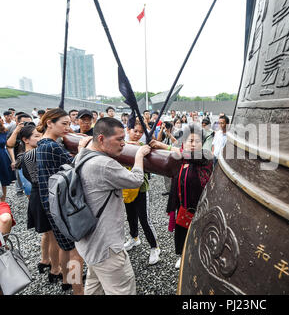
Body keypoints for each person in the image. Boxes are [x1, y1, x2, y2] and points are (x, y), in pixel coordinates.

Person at [74, 117, 150, 295]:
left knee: (94, 287)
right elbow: (136, 180)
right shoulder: (104, 164)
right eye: (119, 139)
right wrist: (138, 155)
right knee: (122, 290)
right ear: (101, 139)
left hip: (88, 242)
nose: (123, 144)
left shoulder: (82, 155)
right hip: (107, 248)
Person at [150, 123, 213, 269]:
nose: (193, 144)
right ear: (184, 142)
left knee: (200, 232)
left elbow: (186, 154)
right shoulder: (180, 159)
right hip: (183, 203)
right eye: (190, 141)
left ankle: (200, 257)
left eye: (197, 141)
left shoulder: (205, 157)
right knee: (181, 232)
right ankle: (182, 256)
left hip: (200, 205)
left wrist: (163, 145)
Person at [36, 108, 84, 294]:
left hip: (50, 202)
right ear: (49, 123)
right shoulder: (53, 146)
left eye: (69, 123)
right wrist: (81, 149)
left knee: (64, 245)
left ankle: (66, 281)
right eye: (64, 124)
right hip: (62, 204)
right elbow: (77, 166)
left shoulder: (41, 143)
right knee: (75, 251)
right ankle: (78, 290)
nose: (68, 127)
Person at [15, 125, 53, 275]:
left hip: (37, 196)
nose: (41, 139)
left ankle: (45, 261)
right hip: (42, 194)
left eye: (41, 135)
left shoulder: (22, 155)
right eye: (37, 136)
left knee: (47, 232)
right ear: (25, 140)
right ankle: (58, 270)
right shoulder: (33, 154)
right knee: (53, 235)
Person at [123, 122, 160, 265]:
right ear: (128, 130)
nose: (137, 134)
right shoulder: (121, 144)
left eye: (140, 132)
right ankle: (134, 238)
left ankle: (154, 247)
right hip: (125, 186)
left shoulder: (143, 148)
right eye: (135, 131)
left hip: (140, 187)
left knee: (144, 219)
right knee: (130, 215)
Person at [0, 117, 15, 202]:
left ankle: (3, 201)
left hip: (2, 157)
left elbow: (9, 146)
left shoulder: (4, 131)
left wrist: (13, 160)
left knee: (3, 180)